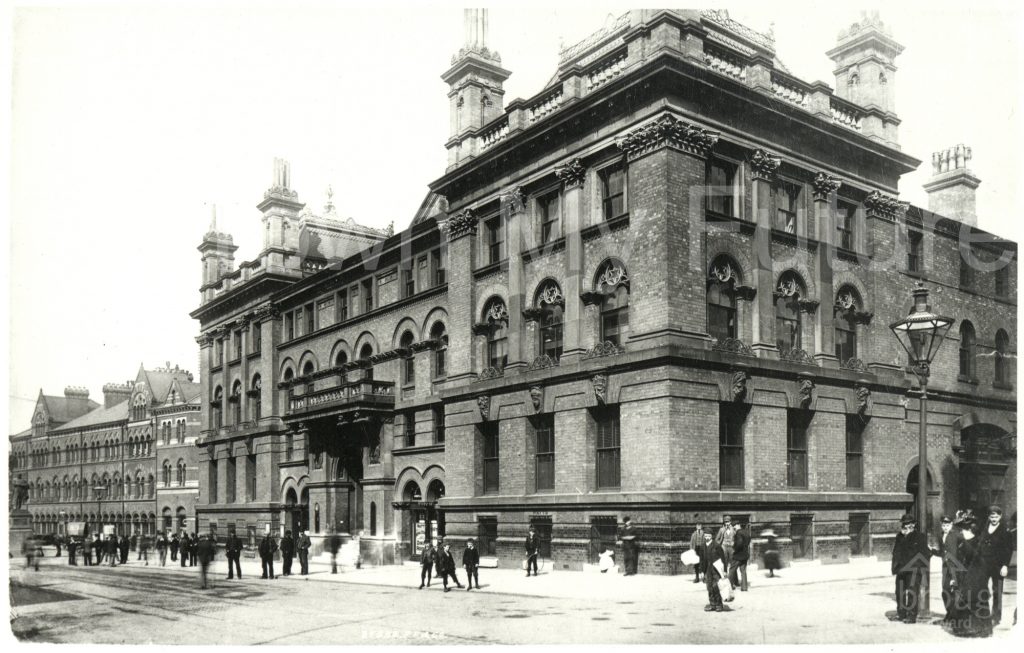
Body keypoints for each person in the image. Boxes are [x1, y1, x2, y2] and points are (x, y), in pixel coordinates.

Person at [946, 510, 993, 637]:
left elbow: (977, 558)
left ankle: (982, 628)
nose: (960, 531)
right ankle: (964, 629)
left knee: (977, 599)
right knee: (963, 599)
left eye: (962, 528)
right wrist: (953, 576)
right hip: (964, 574)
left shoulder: (978, 540)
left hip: (977, 574)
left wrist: (965, 544)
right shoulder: (959, 540)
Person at [890, 513, 932, 624]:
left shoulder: (919, 537)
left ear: (913, 525)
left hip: (913, 570)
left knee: (912, 592)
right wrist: (895, 567)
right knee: (899, 592)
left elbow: (926, 554)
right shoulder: (899, 536)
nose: (906, 526)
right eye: (904, 524)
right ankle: (901, 613)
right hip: (901, 569)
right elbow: (896, 552)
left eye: (909, 524)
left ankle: (911, 616)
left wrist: (919, 568)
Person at [977, 505, 1014, 627]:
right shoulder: (983, 528)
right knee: (982, 589)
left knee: (997, 591)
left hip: (998, 565)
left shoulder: (1005, 531)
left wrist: (1005, 566)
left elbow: (1008, 550)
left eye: (996, 516)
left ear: (1000, 516)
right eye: (992, 516)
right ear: (989, 516)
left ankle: (996, 617)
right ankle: (983, 614)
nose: (994, 518)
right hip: (984, 564)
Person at [932, 515, 965, 621]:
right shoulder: (941, 535)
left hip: (955, 568)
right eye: (943, 525)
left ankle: (956, 616)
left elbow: (964, 549)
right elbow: (943, 552)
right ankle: (949, 613)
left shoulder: (957, 535)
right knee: (945, 591)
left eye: (947, 524)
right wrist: (932, 551)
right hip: (945, 568)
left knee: (955, 592)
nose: (945, 527)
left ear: (951, 525)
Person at [700, 531, 726, 612]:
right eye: (706, 536)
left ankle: (719, 605)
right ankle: (712, 605)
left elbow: (723, 558)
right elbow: (701, 560)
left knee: (716, 587)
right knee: (709, 587)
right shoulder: (703, 546)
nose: (707, 538)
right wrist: (701, 571)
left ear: (711, 536)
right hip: (707, 569)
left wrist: (724, 570)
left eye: (709, 536)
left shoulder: (717, 546)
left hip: (716, 569)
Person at [715, 516, 736, 585]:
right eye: (726, 522)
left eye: (728, 522)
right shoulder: (721, 529)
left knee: (733, 564)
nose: (727, 523)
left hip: (731, 548)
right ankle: (725, 579)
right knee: (724, 563)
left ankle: (733, 581)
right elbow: (716, 539)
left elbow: (737, 538)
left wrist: (734, 543)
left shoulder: (734, 529)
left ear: (730, 522)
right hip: (724, 547)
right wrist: (720, 545)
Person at [729, 521, 749, 592]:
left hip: (738, 555)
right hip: (745, 554)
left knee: (731, 570)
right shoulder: (746, 532)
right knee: (743, 571)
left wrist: (734, 546)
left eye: (734, 526)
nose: (733, 527)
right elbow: (748, 542)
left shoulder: (738, 533)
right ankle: (744, 587)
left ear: (738, 525)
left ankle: (730, 587)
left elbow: (739, 544)